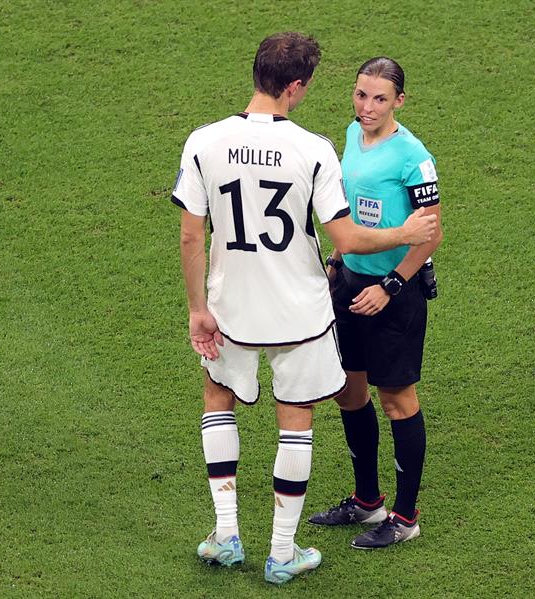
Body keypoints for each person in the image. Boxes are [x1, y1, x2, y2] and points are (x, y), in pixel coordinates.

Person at [172, 35, 437, 584]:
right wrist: (402, 232)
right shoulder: (314, 148)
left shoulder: (204, 141)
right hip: (302, 306)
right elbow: (343, 233)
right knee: (300, 412)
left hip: (231, 304)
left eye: (377, 97)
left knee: (218, 399)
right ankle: (283, 551)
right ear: (296, 86)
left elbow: (190, 238)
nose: (364, 106)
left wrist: (198, 307)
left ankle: (226, 535)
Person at [308, 57, 443, 550]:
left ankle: (405, 518)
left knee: (396, 400)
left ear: (399, 102)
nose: (367, 107)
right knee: (348, 390)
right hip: (349, 284)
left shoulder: (414, 158)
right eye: (361, 95)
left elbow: (430, 235)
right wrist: (337, 261)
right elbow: (347, 204)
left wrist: (389, 285)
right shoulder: (350, 134)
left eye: (379, 98)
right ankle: (368, 501)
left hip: (393, 294)